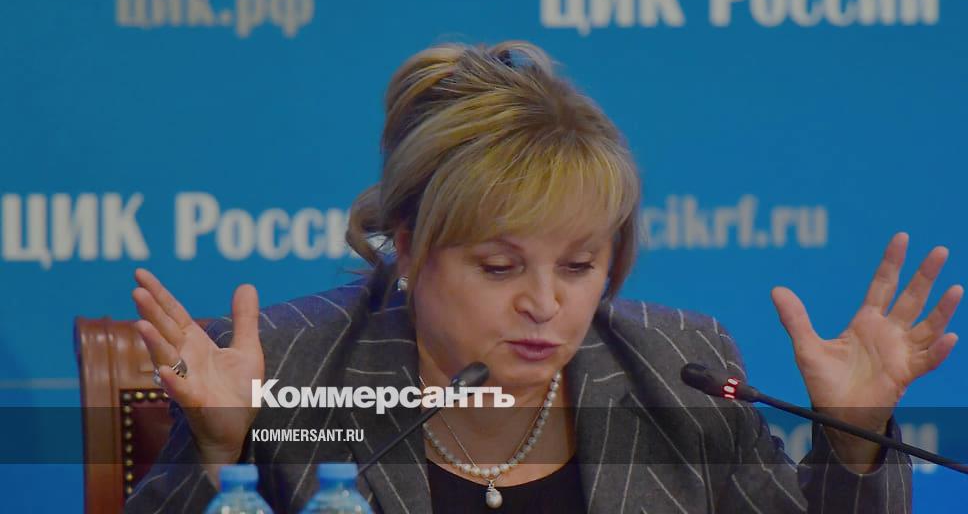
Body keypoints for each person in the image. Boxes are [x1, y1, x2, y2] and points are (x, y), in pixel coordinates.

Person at [124, 41, 961, 514]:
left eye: (579, 265)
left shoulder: (678, 368)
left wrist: (855, 439)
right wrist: (218, 449)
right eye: (499, 266)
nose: (545, 303)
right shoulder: (290, 367)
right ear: (408, 248)